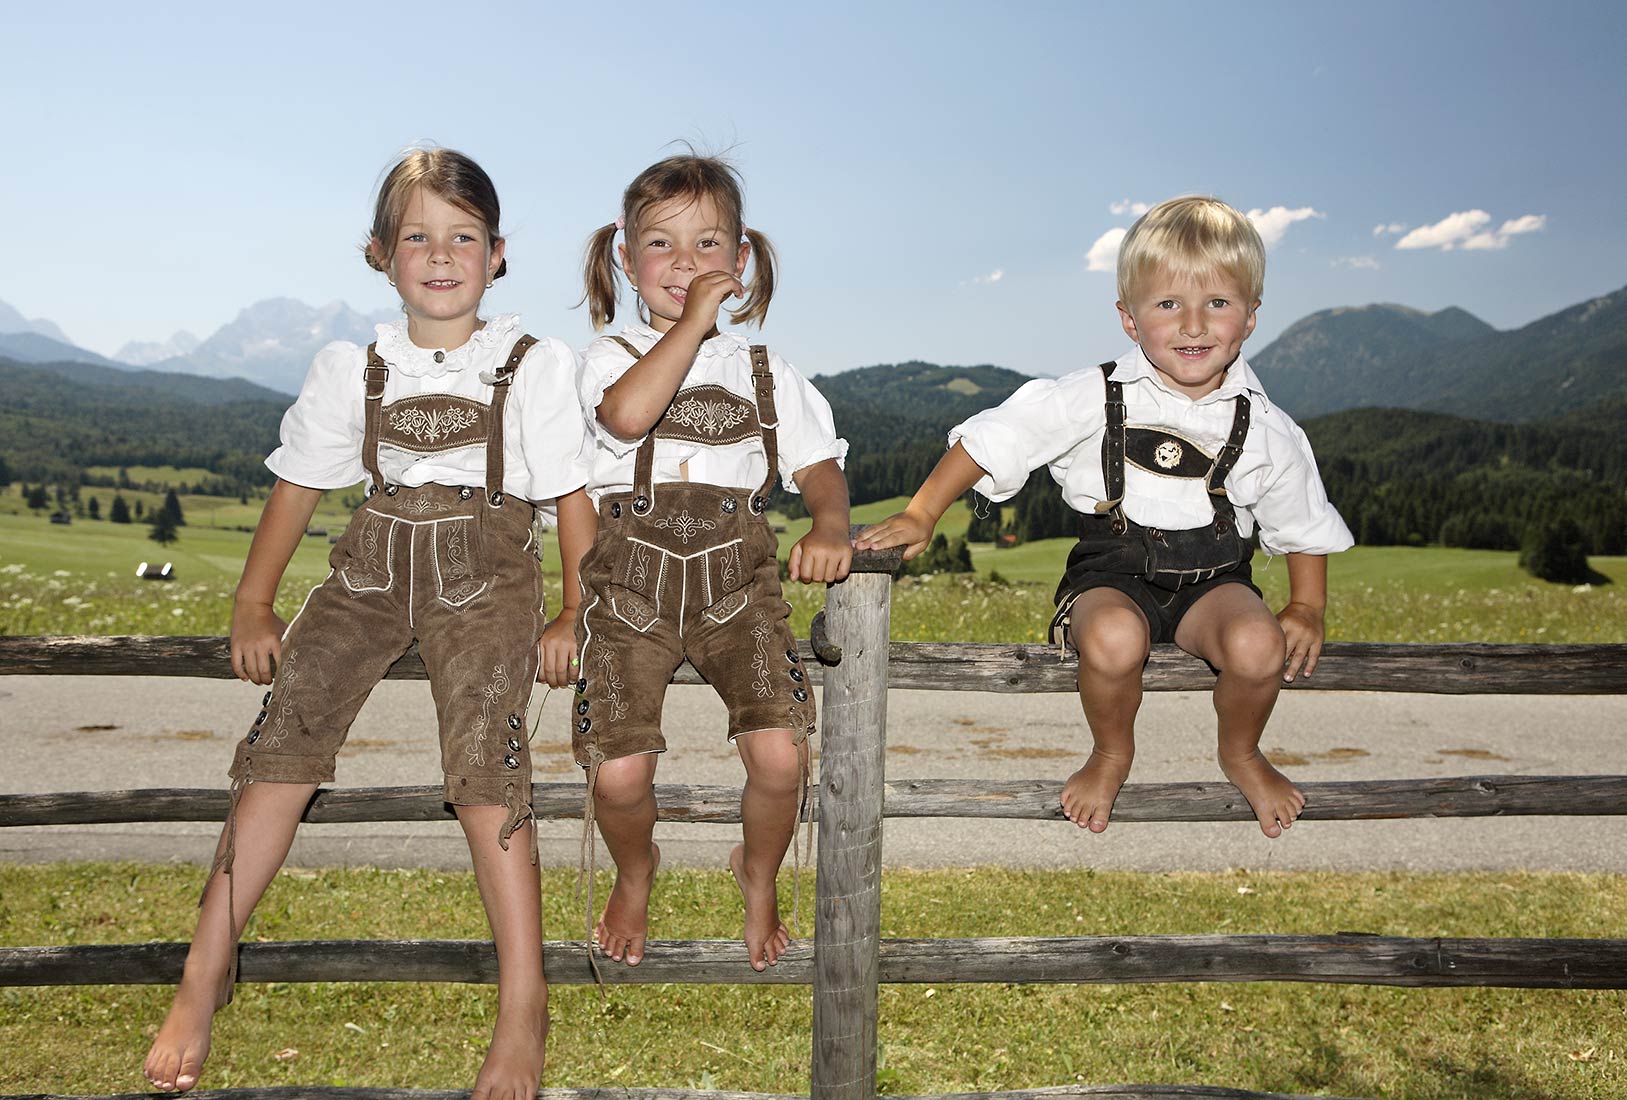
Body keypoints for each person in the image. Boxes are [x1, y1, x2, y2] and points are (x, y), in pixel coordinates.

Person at [141, 147, 596, 1100]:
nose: (441, 255)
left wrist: (572, 608)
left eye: (462, 236)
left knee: (485, 762)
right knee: (280, 745)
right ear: (382, 254)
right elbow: (300, 484)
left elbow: (568, 493)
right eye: (418, 236)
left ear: (498, 253)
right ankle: (201, 973)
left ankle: (524, 1005)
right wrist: (253, 600)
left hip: (488, 566)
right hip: (371, 560)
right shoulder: (354, 367)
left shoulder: (532, 365)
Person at [856, 195, 1352, 839]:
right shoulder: (1093, 395)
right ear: (1129, 317)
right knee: (1115, 640)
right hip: (1111, 574)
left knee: (1259, 646)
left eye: (1219, 304)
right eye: (1168, 304)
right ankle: (1111, 752)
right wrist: (923, 511)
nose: (1194, 325)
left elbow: (1301, 517)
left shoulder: (1266, 427)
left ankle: (1241, 752)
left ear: (1252, 317)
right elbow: (996, 438)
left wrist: (1307, 605)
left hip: (1216, 582)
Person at [574, 152, 851, 972]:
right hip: (629, 587)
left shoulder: (765, 372)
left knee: (781, 755)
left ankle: (756, 871)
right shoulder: (603, 356)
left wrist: (829, 524)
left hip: (739, 582)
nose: (685, 265)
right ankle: (636, 866)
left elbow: (819, 465)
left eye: (706, 246)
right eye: (661, 246)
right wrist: (690, 326)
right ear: (625, 259)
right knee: (619, 775)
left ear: (740, 261)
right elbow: (626, 418)